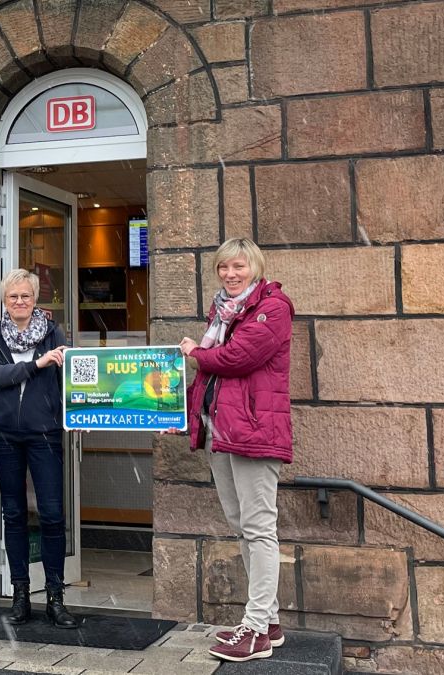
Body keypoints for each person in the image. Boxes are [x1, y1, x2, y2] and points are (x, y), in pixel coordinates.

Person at [170, 238, 293, 663]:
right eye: (224, 267)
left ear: (254, 267)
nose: (230, 274)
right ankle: (269, 622)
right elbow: (214, 374)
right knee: (243, 526)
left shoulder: (272, 308)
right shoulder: (224, 311)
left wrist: (196, 353)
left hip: (254, 433)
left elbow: (236, 358)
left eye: (238, 266)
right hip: (221, 432)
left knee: (259, 528)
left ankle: (255, 629)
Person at [0, 269, 77, 629]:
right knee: (14, 514)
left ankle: (55, 597)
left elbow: (69, 379)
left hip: (45, 434)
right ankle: (20, 595)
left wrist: (80, 410)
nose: (19, 301)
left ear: (35, 299)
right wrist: (37, 364)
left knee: (52, 514)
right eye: (13, 296)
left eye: (25, 296)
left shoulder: (54, 334)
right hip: (5, 434)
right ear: (5, 301)